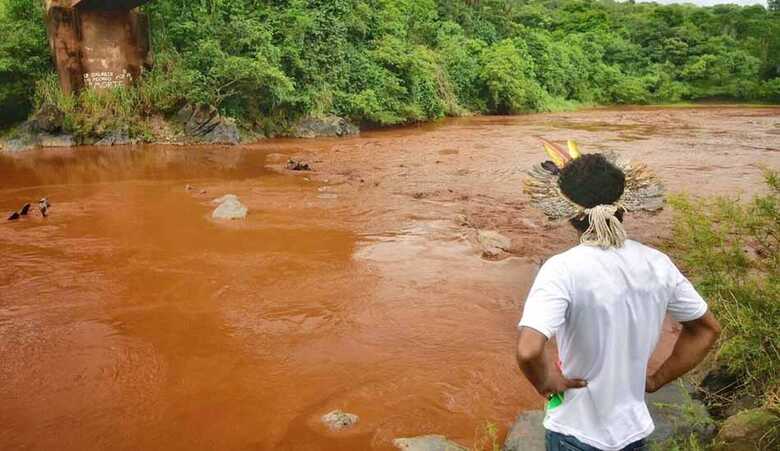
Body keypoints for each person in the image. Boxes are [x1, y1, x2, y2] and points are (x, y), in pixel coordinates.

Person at [517, 143, 721, 451]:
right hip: (632, 432)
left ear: (568, 214)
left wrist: (547, 381)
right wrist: (656, 380)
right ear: (623, 206)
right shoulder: (657, 264)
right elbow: (707, 329)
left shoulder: (562, 269)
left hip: (575, 431)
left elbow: (529, 350)